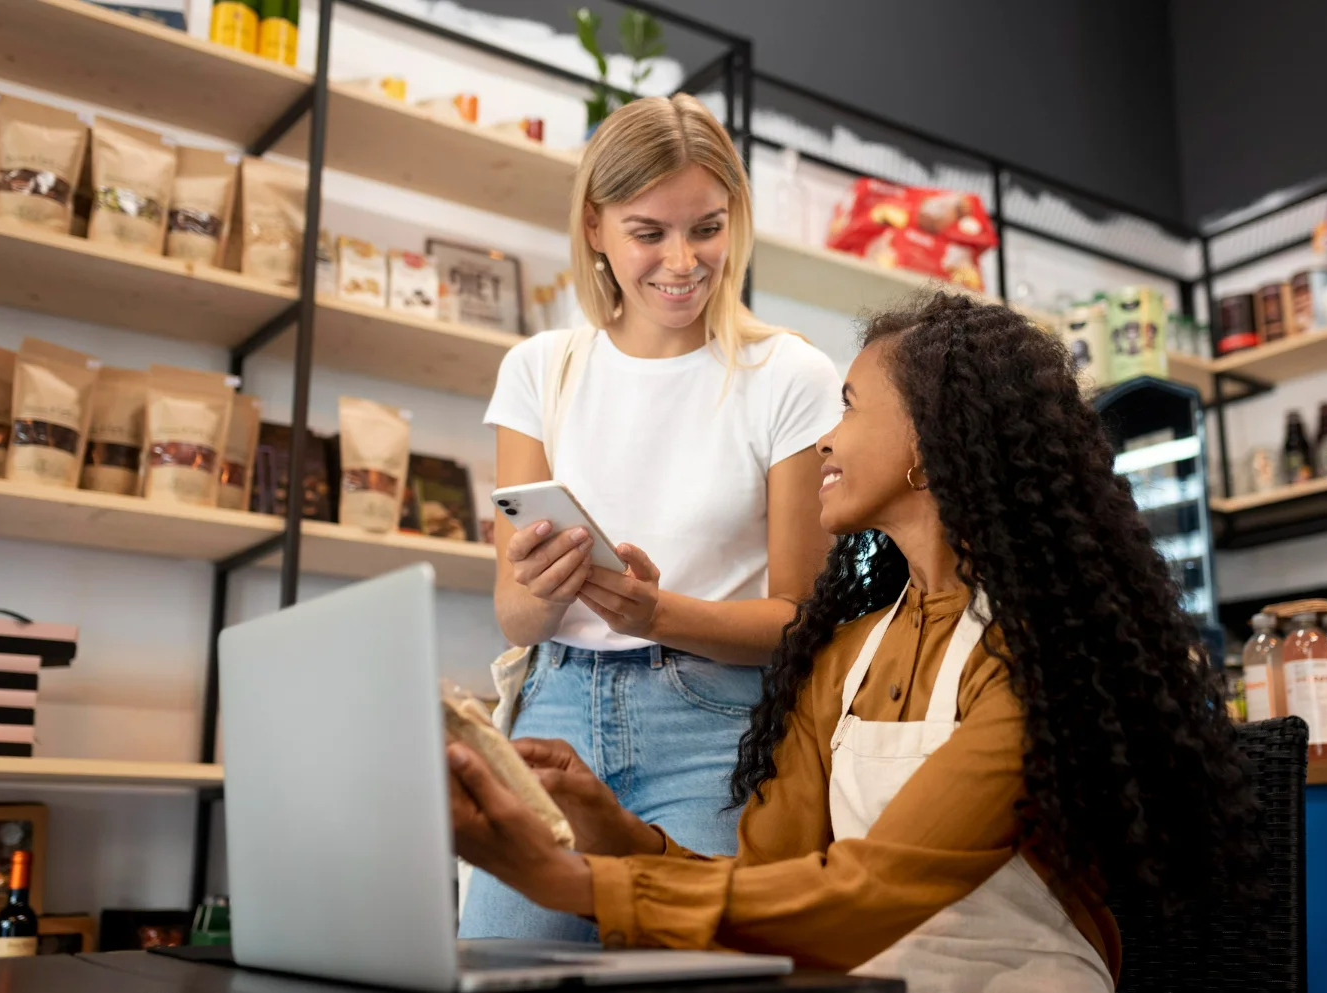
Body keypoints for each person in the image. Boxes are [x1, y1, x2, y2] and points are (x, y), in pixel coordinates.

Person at [449, 293, 1260, 990]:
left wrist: (572, 880)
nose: (824, 440)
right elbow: (770, 889)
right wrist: (608, 828)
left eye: (848, 406)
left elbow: (872, 889)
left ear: (927, 444)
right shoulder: (844, 655)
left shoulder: (1033, 659)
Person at [465, 93, 842, 941]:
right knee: (500, 968)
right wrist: (547, 590)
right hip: (555, 710)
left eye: (706, 228)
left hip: (716, 726)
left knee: (695, 971)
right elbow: (513, 614)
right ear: (595, 226)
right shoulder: (540, 370)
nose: (682, 260)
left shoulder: (789, 375)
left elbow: (800, 622)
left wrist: (657, 612)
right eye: (649, 232)